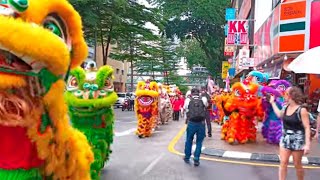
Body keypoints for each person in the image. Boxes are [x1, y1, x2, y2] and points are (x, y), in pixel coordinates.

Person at [269, 87, 311, 180]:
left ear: (291, 95)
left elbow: (307, 127)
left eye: (285, 93)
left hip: (298, 140)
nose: (283, 95)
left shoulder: (302, 110)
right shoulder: (285, 107)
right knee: (283, 162)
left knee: (297, 165)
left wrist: (307, 144)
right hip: (285, 139)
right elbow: (279, 115)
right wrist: (272, 103)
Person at [183, 88, 208, 166]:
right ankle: (196, 158)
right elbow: (206, 106)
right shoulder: (203, 99)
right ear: (199, 93)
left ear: (192, 93)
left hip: (191, 123)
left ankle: (187, 157)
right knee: (199, 142)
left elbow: (185, 108)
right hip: (201, 123)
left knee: (189, 140)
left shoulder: (188, 100)